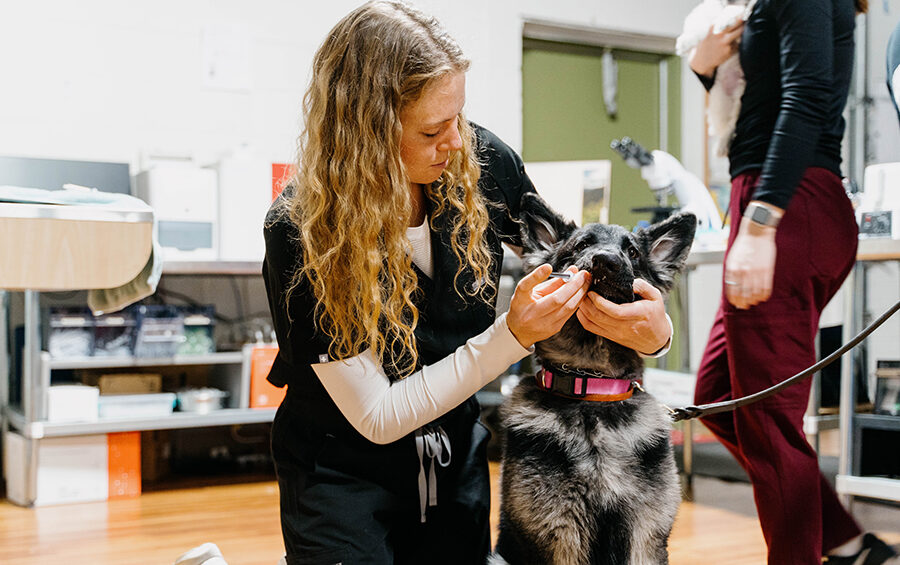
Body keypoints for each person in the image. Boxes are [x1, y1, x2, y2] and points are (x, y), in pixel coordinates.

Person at [261, 2, 674, 564]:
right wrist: (512, 335)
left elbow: (569, 265)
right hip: (343, 465)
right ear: (368, 135)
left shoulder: (481, 164)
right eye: (432, 129)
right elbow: (377, 415)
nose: (456, 141)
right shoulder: (303, 231)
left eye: (458, 116)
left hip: (450, 457)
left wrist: (654, 332)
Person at [688, 1, 898, 564]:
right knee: (718, 399)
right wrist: (706, 64)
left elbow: (806, 98)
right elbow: (769, 91)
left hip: (785, 201)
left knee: (770, 419)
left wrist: (760, 225)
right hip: (782, 198)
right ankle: (846, 543)